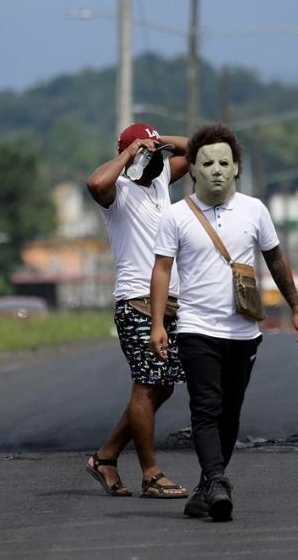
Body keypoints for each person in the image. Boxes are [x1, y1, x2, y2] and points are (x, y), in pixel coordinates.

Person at [149, 123, 298, 522]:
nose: (217, 169)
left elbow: (275, 259)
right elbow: (161, 270)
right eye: (207, 163)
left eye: (225, 162)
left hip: (244, 331)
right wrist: (157, 324)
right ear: (195, 169)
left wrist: (295, 307)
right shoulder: (176, 216)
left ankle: (207, 488)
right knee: (205, 407)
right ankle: (219, 480)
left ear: (237, 168)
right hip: (196, 328)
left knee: (231, 410)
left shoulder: (255, 210)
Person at [84, 122, 191, 498]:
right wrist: (131, 153)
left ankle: (106, 456)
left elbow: (197, 151)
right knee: (147, 388)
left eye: (157, 156)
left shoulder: (160, 182)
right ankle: (151, 473)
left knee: (163, 388)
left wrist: (161, 143)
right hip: (136, 303)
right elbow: (95, 184)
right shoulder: (119, 193)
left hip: (171, 304)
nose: (157, 162)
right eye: (149, 156)